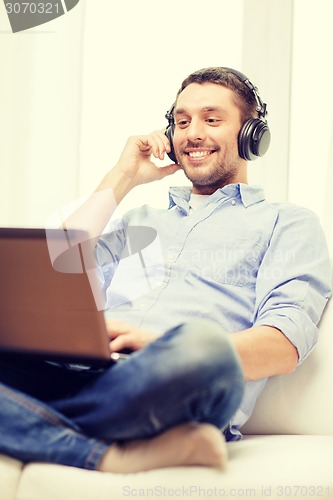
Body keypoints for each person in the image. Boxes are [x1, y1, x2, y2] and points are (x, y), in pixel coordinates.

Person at [0, 67, 331, 474]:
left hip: (172, 383)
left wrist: (157, 342)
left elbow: (283, 346)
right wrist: (123, 177)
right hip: (87, 380)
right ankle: (100, 452)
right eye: (181, 121)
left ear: (251, 134)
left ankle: (31, 420)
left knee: (205, 347)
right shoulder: (139, 219)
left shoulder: (289, 222)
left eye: (211, 119)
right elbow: (55, 270)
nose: (192, 133)